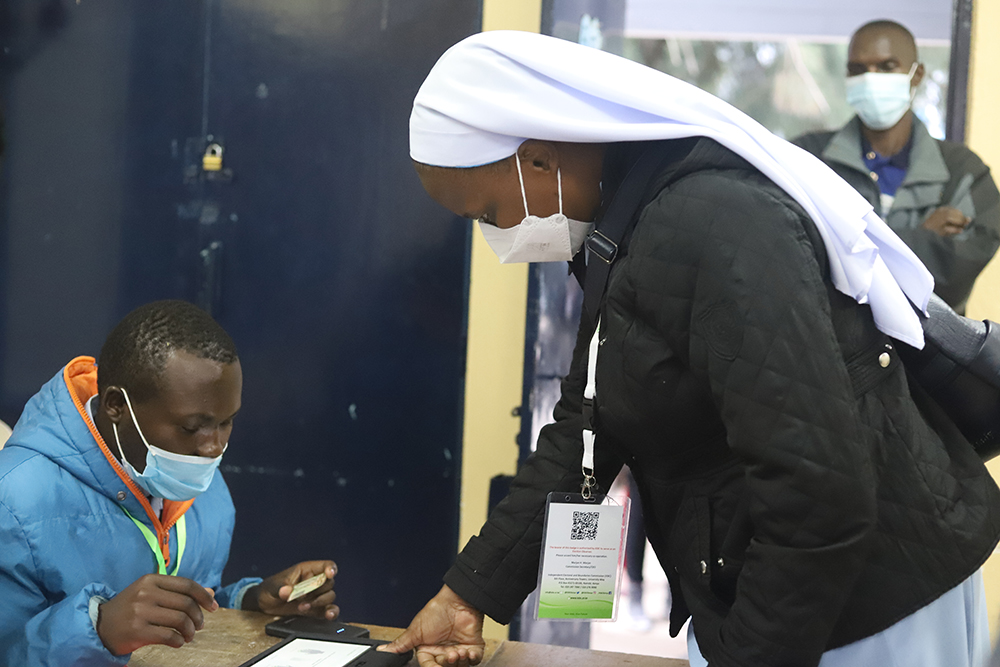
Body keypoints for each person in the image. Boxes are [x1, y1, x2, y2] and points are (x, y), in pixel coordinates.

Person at [378, 31, 1000, 667]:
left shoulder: (711, 220)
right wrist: (469, 592)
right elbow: (586, 428)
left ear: (536, 160)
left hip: (867, 609)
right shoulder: (619, 228)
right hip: (776, 595)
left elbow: (819, 492)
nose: (495, 237)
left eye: (487, 213)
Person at [0, 300, 339, 665]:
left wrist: (250, 603)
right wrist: (99, 629)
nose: (214, 447)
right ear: (116, 405)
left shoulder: (202, 487)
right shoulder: (15, 500)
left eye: (227, 422)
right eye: (192, 427)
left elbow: (187, 617)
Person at [794, 20, 1000, 315]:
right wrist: (919, 238)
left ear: (917, 75)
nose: (870, 79)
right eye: (858, 70)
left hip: (930, 355)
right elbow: (793, 253)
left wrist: (847, 246)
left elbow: (954, 275)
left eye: (887, 66)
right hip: (832, 350)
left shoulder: (963, 170)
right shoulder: (808, 157)